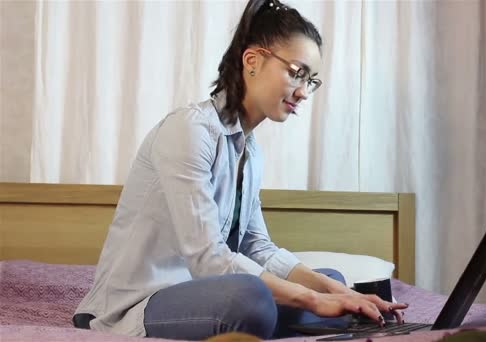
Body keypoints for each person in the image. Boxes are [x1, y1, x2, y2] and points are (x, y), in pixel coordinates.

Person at [73, 0, 407, 340]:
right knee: (252, 299)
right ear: (252, 61)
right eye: (296, 72)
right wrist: (313, 300)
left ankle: (282, 314)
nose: (304, 91)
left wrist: (338, 294)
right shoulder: (189, 130)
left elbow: (258, 247)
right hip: (141, 303)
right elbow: (208, 258)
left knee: (332, 280)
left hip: (208, 293)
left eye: (311, 80)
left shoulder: (249, 151)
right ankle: (261, 316)